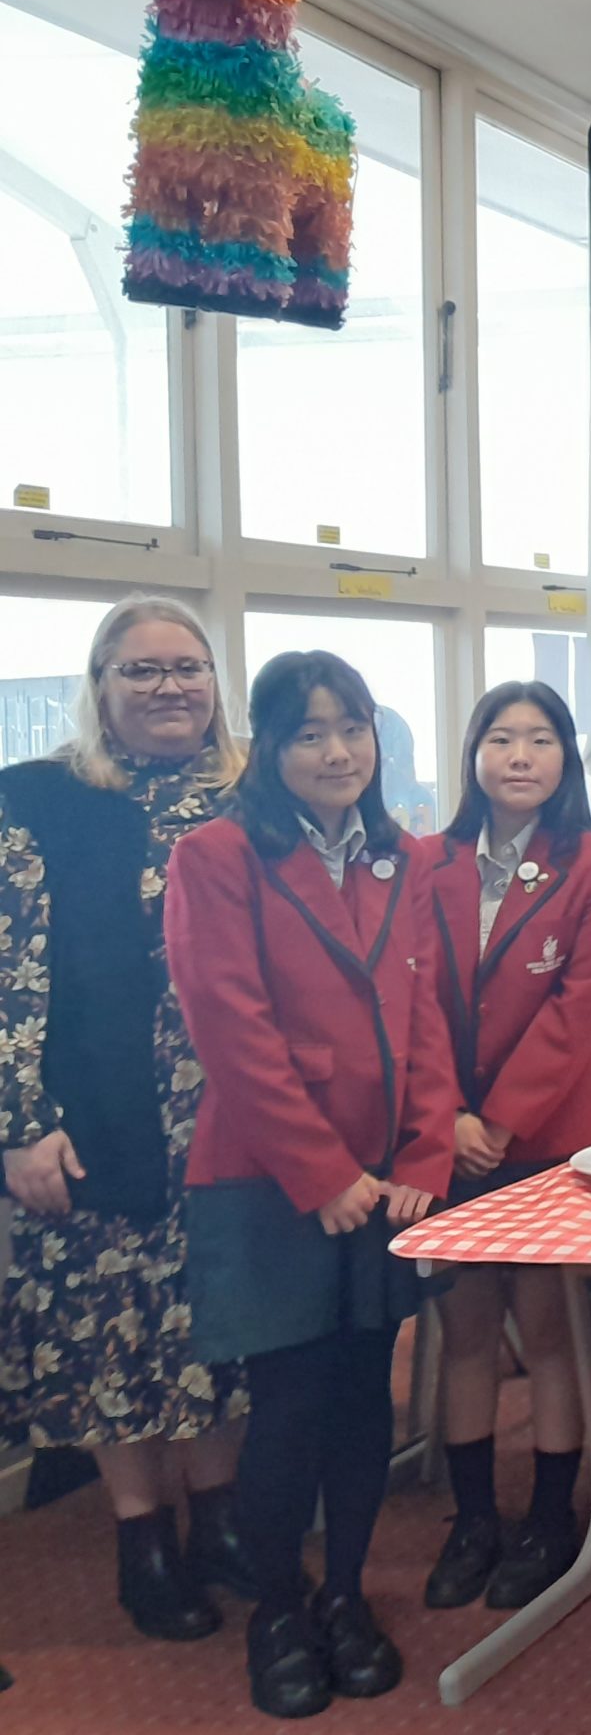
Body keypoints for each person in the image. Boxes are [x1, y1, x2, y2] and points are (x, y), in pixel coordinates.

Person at [165, 652, 462, 1718]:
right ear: (269, 746)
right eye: (309, 733)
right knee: (289, 1406)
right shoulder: (217, 854)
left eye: (353, 729)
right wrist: (323, 1173)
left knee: (363, 1396)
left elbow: (423, 1015)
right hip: (270, 1177)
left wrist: (424, 1155)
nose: (338, 752)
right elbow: (229, 1027)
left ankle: (344, 1593)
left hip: (386, 1182)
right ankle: (280, 1608)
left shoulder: (398, 855)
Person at [0, 598, 253, 1644]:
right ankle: (142, 1538)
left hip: (236, 1119)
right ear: (99, 685)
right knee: (113, 1339)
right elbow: (8, 971)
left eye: (188, 667)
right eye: (141, 670)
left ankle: (221, 1521)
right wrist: (18, 1124)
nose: (168, 687)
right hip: (94, 1117)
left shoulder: (253, 796)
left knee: (221, 1326)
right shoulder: (37, 800)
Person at [419, 683, 591, 1611]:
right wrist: (445, 1118)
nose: (519, 756)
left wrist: (500, 1121)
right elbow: (407, 1005)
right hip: (448, 1137)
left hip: (550, 1135)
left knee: (548, 1332)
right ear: (472, 752)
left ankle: (552, 1515)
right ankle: (474, 1518)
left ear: (566, 757)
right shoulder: (422, 863)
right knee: (466, 1333)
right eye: (500, 738)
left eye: (540, 739)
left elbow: (576, 1011)